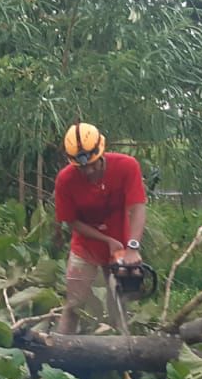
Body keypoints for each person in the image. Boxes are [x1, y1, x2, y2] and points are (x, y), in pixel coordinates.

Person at [53, 122, 148, 334]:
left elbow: (138, 208)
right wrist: (106, 240)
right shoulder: (66, 180)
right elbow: (71, 221)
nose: (88, 170)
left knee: (119, 307)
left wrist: (132, 247)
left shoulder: (126, 166)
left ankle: (122, 351)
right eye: (82, 166)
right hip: (85, 247)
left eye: (92, 163)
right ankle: (58, 350)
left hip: (122, 246)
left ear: (101, 150)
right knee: (73, 304)